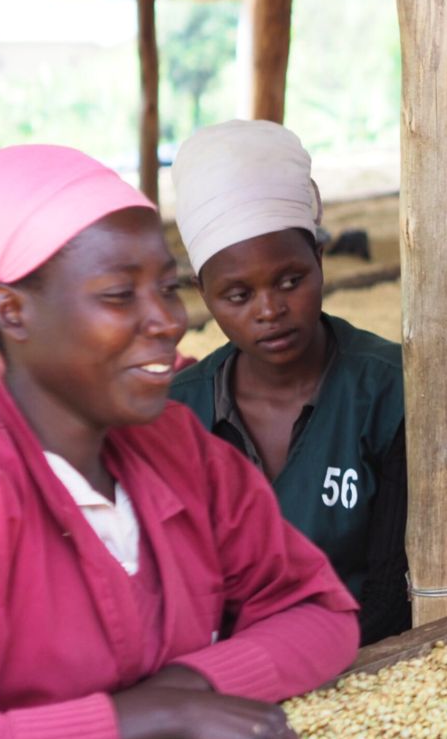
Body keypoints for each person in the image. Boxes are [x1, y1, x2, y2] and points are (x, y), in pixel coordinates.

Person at [0, 145, 357, 739]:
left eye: (168, 287)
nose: (169, 321)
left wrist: (187, 687)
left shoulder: (177, 449)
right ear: (13, 312)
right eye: (121, 295)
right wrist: (152, 718)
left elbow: (319, 612)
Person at [168, 120, 409, 645]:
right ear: (202, 296)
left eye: (290, 280)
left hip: (369, 665)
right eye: (238, 295)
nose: (271, 310)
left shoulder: (390, 392)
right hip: (222, 683)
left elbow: (393, 592)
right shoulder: (177, 415)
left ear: (319, 260)